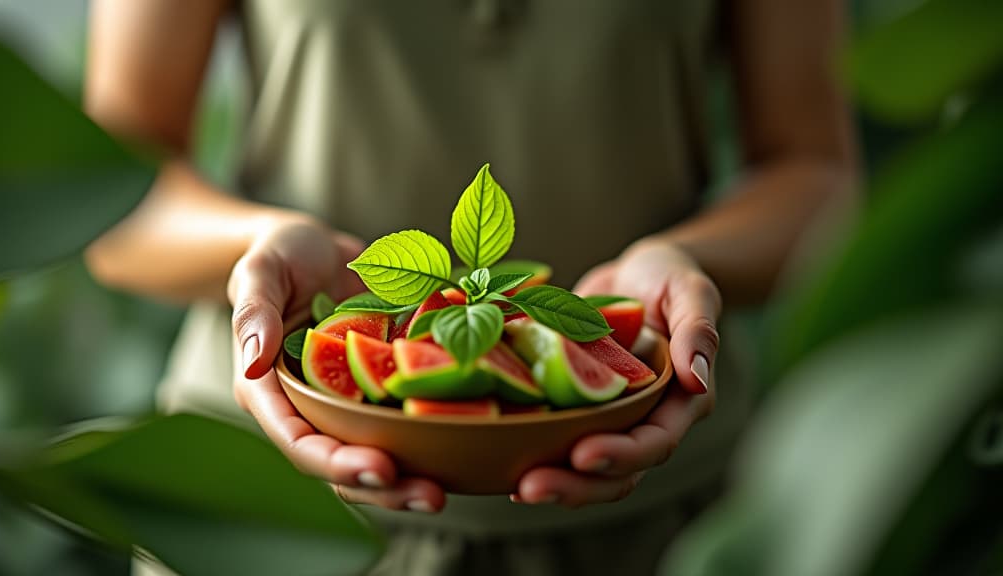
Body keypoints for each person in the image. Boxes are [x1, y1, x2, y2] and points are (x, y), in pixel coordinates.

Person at [83, 0, 855, 573]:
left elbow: (814, 173)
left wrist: (689, 260)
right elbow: (103, 196)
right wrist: (258, 248)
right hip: (265, 516)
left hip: (664, 525)